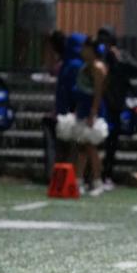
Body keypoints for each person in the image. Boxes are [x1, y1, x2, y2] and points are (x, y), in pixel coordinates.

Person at [96, 25, 137, 189]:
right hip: (99, 102)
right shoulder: (97, 55)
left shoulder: (120, 55)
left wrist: (119, 58)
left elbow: (136, 69)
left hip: (115, 104)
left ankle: (107, 173)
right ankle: (92, 174)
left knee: (111, 142)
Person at [71, 37, 109, 196]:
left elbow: (99, 92)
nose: (81, 51)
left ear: (91, 50)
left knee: (91, 147)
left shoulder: (97, 67)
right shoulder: (84, 66)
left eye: (84, 48)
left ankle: (98, 181)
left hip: (93, 110)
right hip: (83, 108)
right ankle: (78, 181)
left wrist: (93, 112)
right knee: (82, 147)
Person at [49, 30, 85, 178]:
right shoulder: (72, 63)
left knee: (70, 146)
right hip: (68, 109)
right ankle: (65, 177)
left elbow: (74, 90)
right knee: (69, 146)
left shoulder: (73, 65)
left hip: (69, 110)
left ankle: (67, 177)